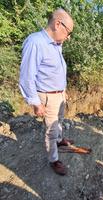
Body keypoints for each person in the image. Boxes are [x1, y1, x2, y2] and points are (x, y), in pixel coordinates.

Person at [19, 8, 74, 176]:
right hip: (47, 97)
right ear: (58, 24)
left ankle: (59, 141)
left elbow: (54, 70)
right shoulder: (36, 42)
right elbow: (27, 75)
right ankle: (54, 160)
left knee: (60, 121)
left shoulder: (56, 44)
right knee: (51, 129)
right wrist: (35, 102)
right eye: (68, 32)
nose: (69, 37)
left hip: (59, 94)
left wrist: (63, 90)